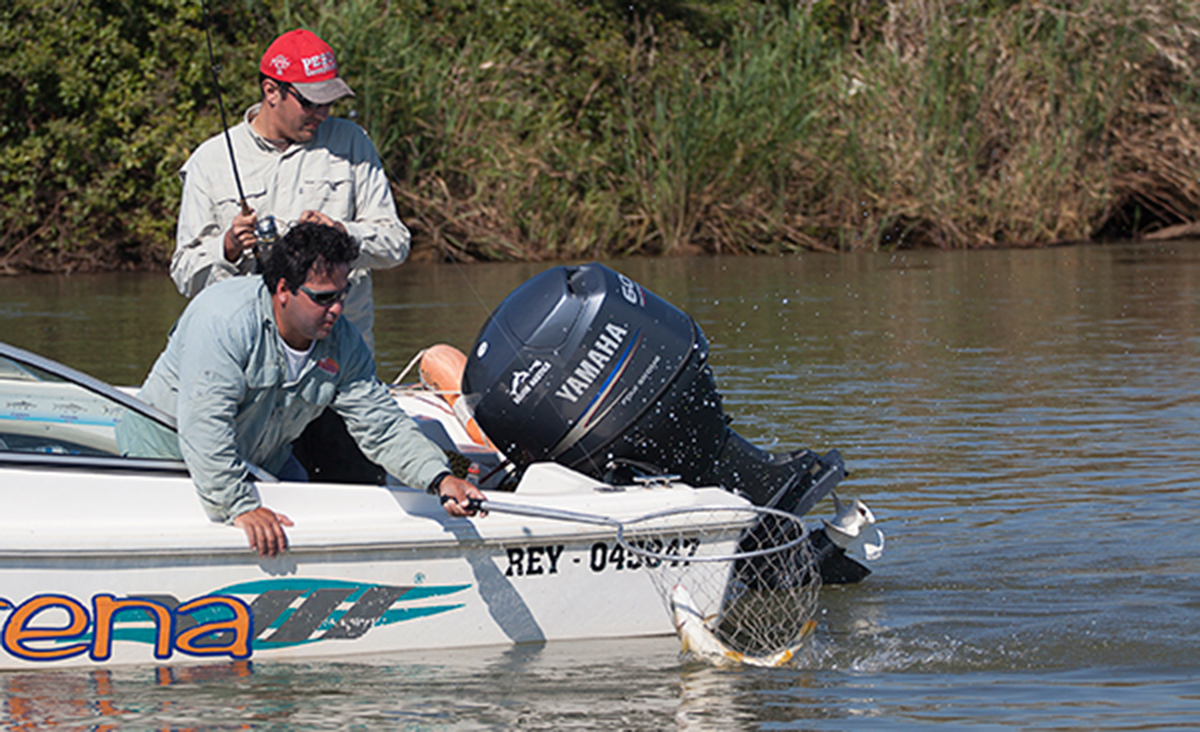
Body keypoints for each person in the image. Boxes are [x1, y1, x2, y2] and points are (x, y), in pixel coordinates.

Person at [133, 223, 483, 557]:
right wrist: (238, 506)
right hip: (164, 465)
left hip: (262, 464)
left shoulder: (343, 341)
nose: (337, 309)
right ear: (283, 290)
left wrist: (440, 478)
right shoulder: (222, 320)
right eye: (323, 298)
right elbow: (204, 425)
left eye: (342, 295)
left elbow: (382, 424)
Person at [172, 27, 406, 353]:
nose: (322, 113)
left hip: (338, 359)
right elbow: (184, 272)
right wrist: (228, 248)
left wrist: (341, 233)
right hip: (246, 352)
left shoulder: (353, 142)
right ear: (271, 91)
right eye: (311, 102)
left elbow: (396, 243)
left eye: (330, 102)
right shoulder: (209, 161)